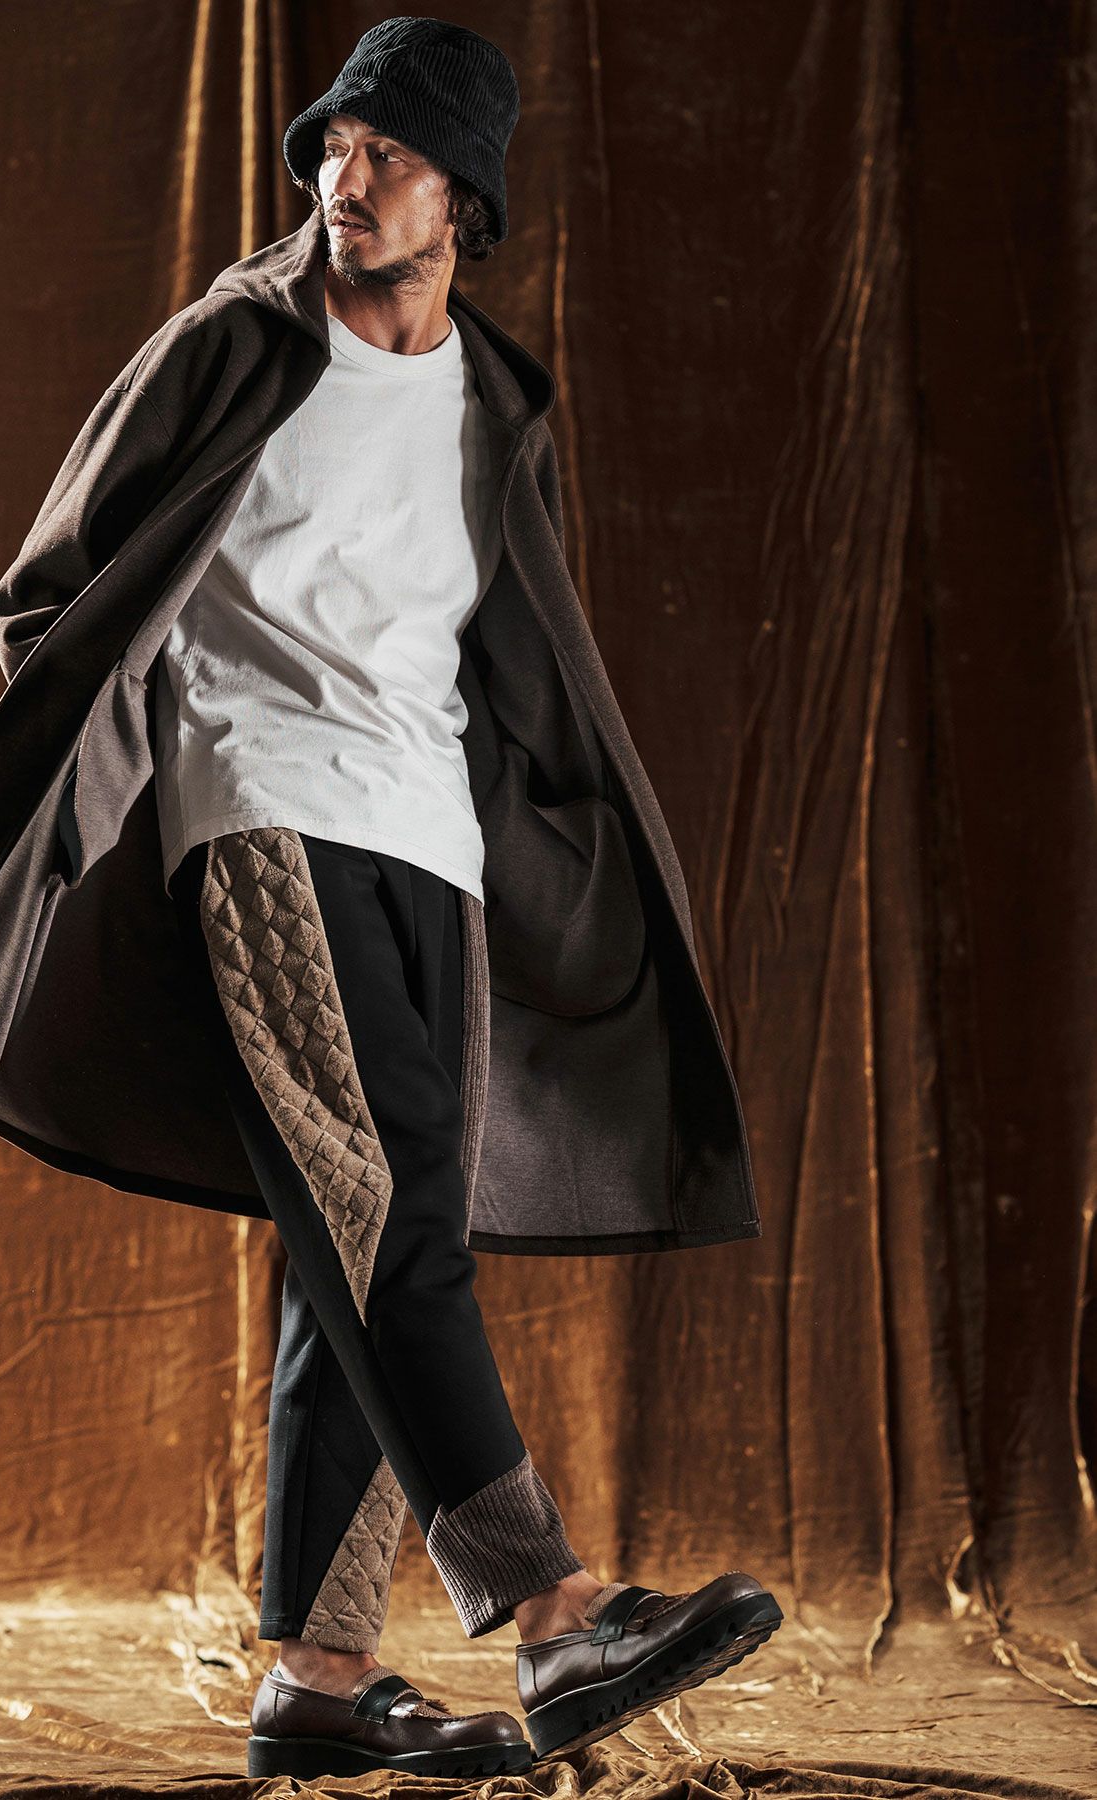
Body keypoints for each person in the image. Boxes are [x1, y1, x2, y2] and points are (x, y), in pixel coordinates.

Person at [149, 15, 783, 1780]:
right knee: (379, 1214)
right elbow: (55, 589)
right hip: (262, 807)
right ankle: (560, 1610)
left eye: (388, 155)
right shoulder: (235, 343)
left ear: (466, 203)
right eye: (332, 148)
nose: (342, 179)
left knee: (365, 1242)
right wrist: (150, 771)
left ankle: (318, 1675)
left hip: (432, 837)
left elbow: (506, 650)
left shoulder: (495, 402)